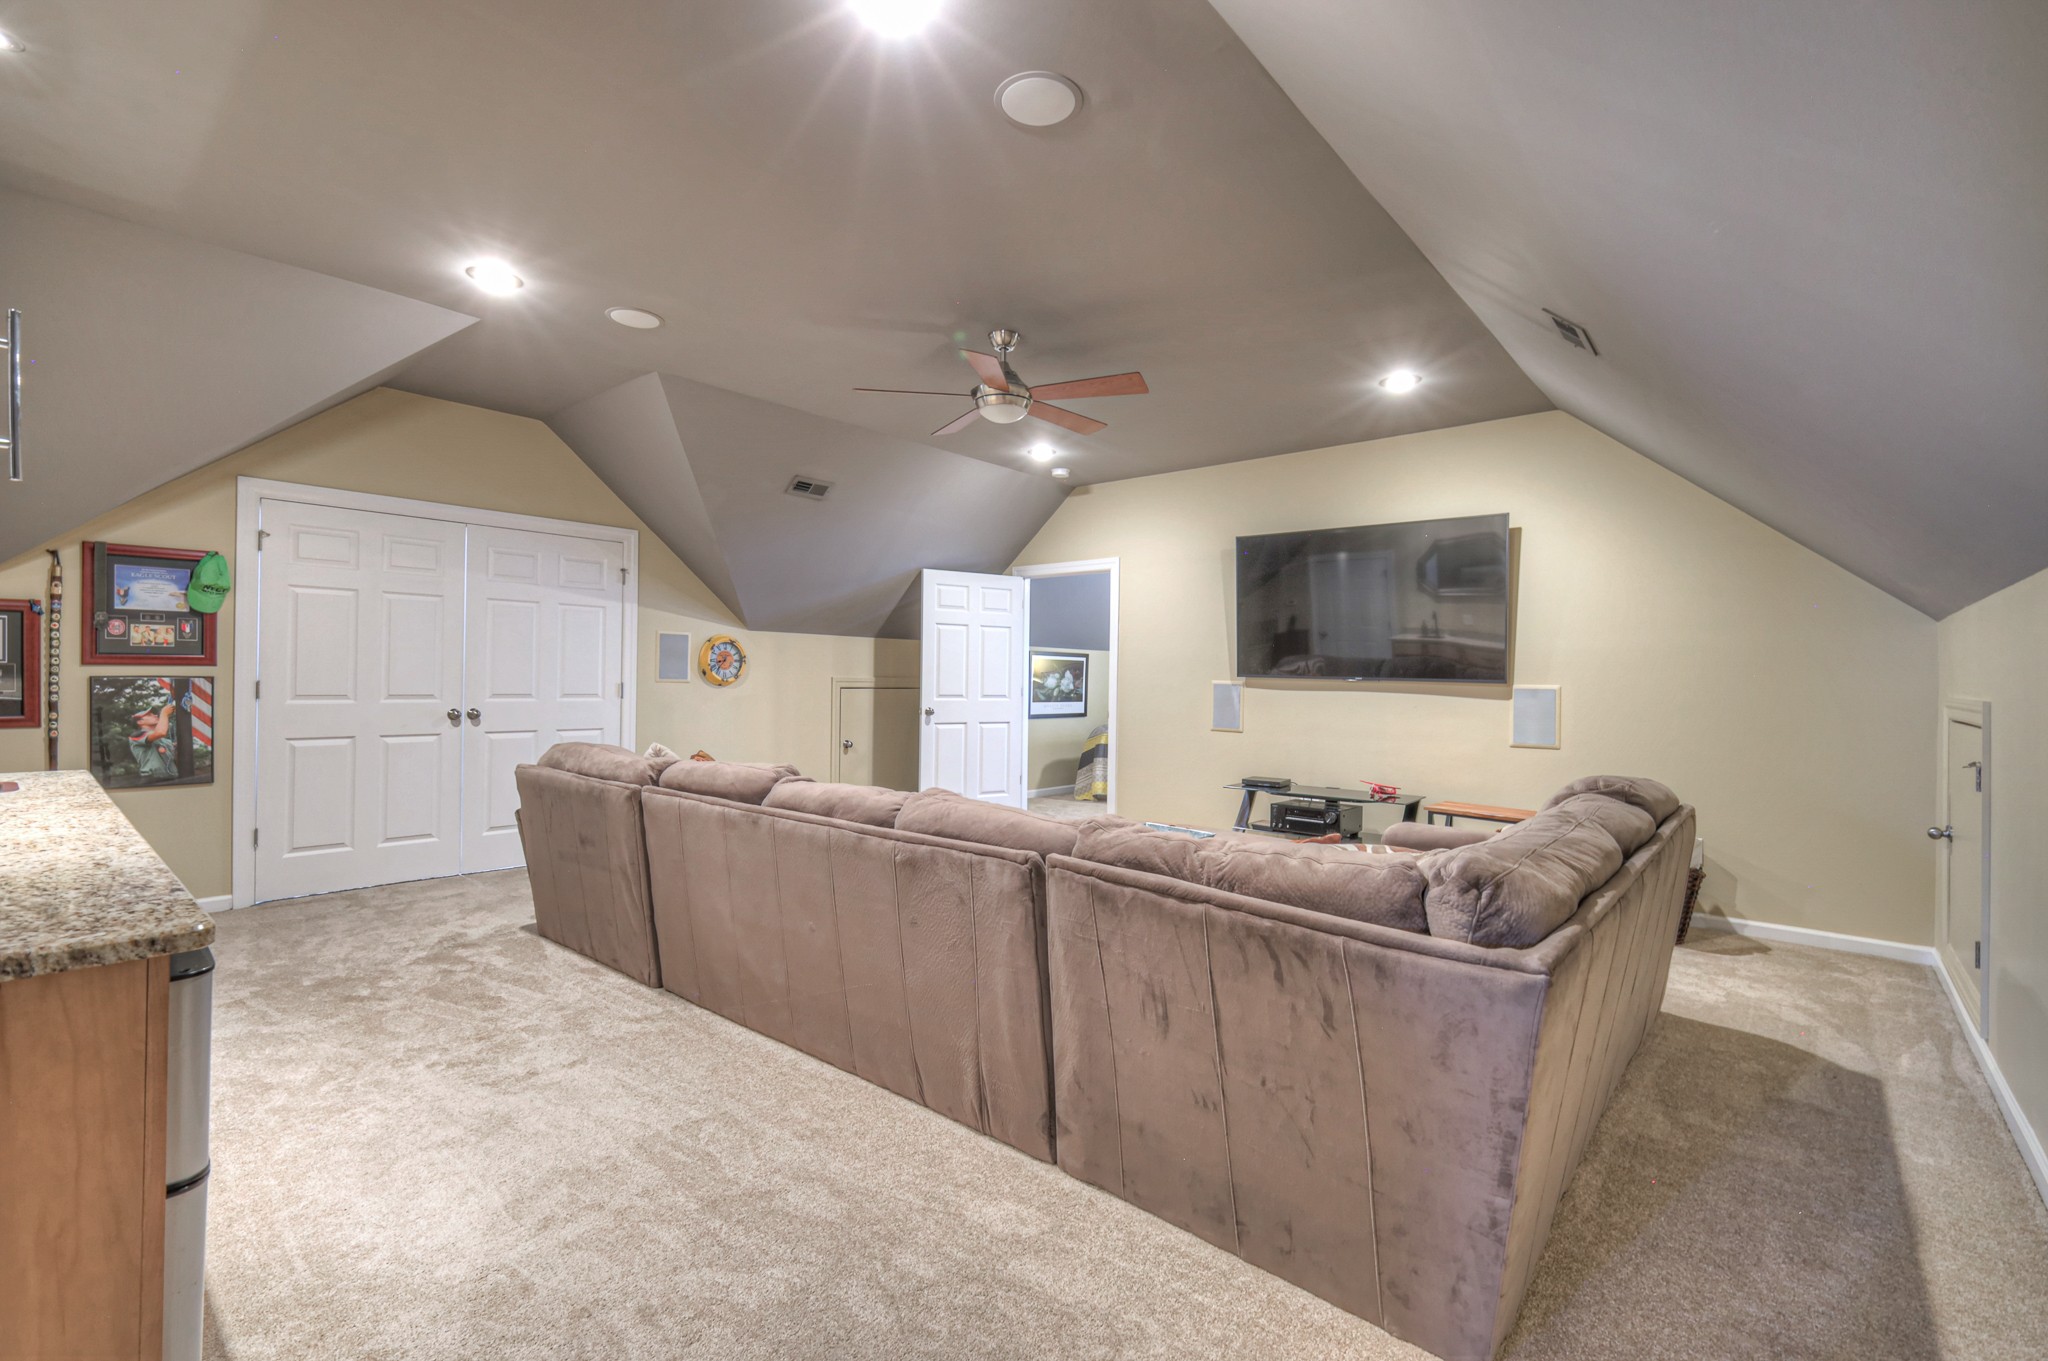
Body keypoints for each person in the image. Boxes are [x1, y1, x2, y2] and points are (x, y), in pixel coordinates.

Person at [128, 701, 179, 781]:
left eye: (153, 714)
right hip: (151, 780)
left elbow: (176, 758)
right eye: (149, 715)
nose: (155, 715)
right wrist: (164, 713)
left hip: (171, 778)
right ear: (140, 722)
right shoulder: (137, 735)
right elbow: (160, 732)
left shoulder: (165, 741)